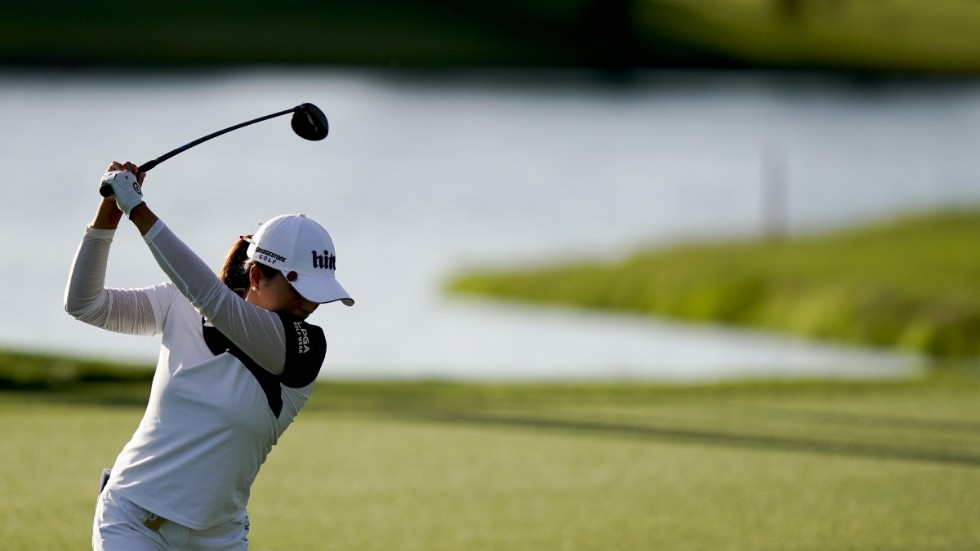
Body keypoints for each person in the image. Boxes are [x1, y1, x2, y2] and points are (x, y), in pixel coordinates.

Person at [65, 161, 354, 550]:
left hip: (219, 538)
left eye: (319, 295)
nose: (309, 306)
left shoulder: (305, 347)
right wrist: (111, 210)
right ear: (256, 277)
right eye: (299, 290)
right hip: (130, 520)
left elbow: (214, 300)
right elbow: (85, 304)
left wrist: (138, 208)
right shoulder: (177, 303)